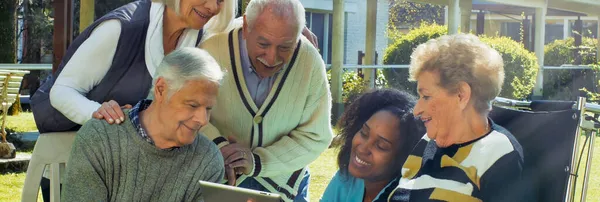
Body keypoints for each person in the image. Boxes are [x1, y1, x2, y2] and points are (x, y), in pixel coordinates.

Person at [198, 0, 333, 201]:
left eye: (285, 47)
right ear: (246, 26)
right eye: (263, 44)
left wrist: (258, 162)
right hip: (218, 182)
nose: (271, 58)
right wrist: (220, 148)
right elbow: (185, 110)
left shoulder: (310, 61)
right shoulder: (210, 49)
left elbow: (316, 136)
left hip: (285, 188)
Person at [62, 47, 225, 201]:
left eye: (208, 108)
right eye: (192, 105)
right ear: (161, 89)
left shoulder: (208, 160)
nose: (203, 120)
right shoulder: (99, 139)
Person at [388, 33, 524, 202]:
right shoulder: (426, 143)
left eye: (426, 97)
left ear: (461, 95)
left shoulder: (499, 154)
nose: (416, 111)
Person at [321, 89, 424, 202]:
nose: (363, 148)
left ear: (403, 158)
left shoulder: (407, 197)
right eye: (364, 133)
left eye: (381, 146)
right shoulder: (346, 180)